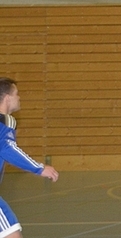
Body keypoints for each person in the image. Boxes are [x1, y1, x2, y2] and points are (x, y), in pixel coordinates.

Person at [0, 78, 59, 237]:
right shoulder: (6, 121)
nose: (19, 98)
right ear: (7, 98)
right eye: (16, 94)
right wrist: (39, 168)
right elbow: (7, 148)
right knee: (12, 233)